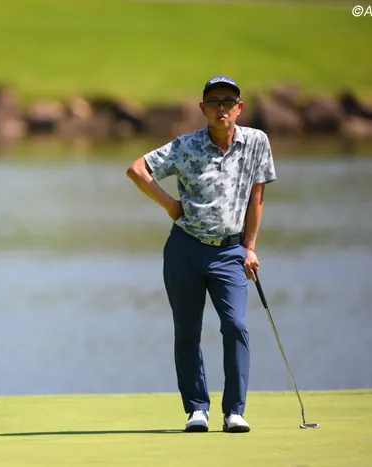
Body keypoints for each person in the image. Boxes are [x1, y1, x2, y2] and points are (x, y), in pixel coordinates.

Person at [126, 75, 277, 433]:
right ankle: (197, 409)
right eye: (214, 102)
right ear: (203, 108)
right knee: (187, 331)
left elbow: (257, 197)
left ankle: (234, 411)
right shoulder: (186, 145)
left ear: (239, 107)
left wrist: (250, 248)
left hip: (230, 252)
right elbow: (137, 169)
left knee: (236, 325)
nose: (221, 108)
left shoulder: (256, 142)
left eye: (228, 102)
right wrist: (170, 205)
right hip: (185, 250)